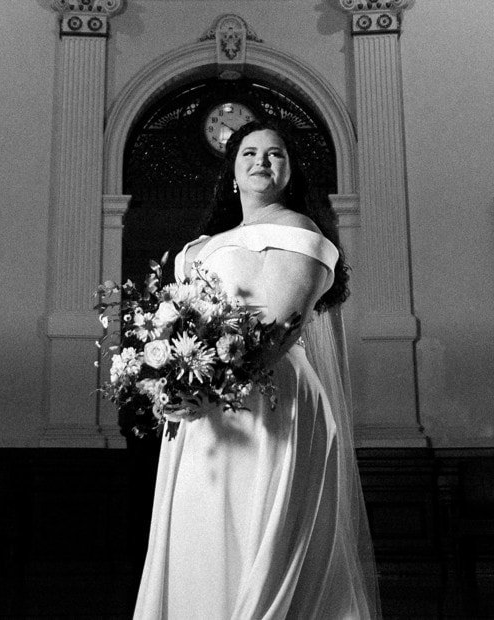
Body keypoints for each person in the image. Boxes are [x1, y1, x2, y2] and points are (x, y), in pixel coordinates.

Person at [131, 120, 380, 620]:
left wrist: (212, 388)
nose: (261, 161)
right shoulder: (199, 248)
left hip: (272, 399)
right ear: (232, 172)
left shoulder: (299, 233)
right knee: (203, 533)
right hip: (204, 414)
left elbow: (281, 328)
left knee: (261, 525)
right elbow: (177, 324)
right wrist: (169, 384)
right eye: (249, 153)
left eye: (274, 153)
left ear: (290, 171)